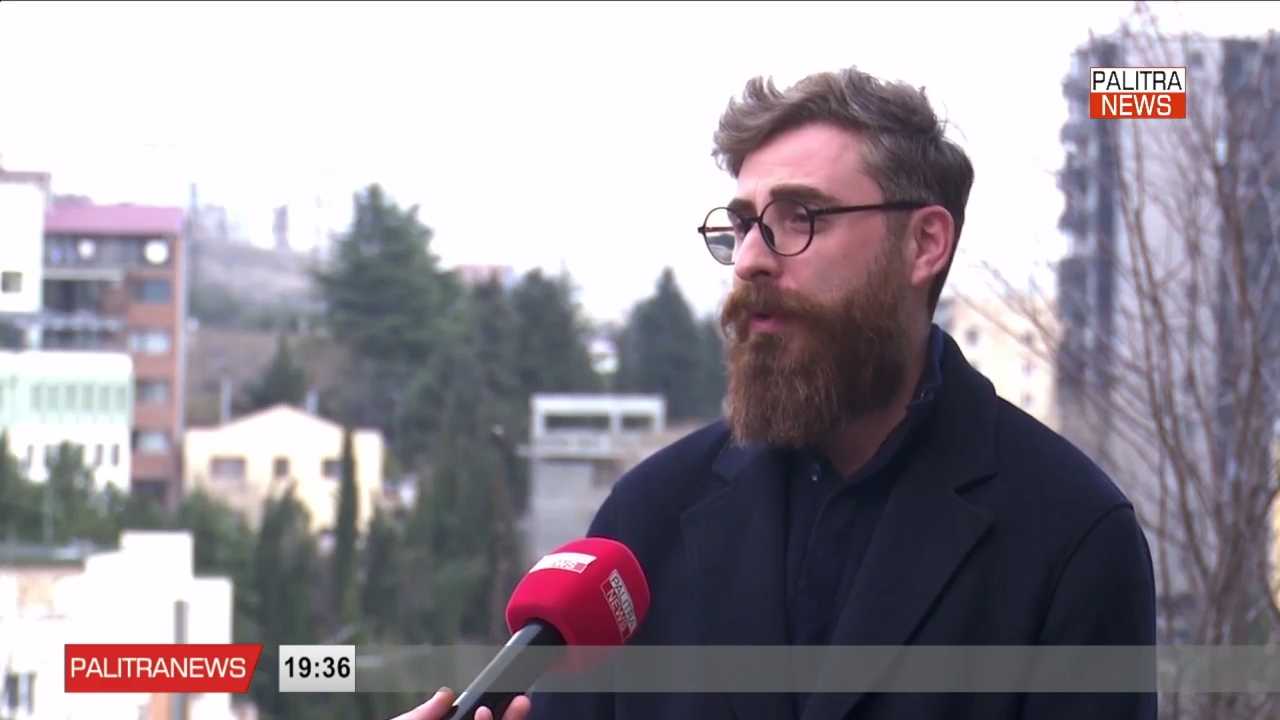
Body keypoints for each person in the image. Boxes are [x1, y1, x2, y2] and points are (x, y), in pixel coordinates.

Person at [400, 65, 1157, 720]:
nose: (751, 260)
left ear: (925, 243)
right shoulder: (646, 521)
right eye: (741, 226)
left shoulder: (1070, 536)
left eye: (800, 218)